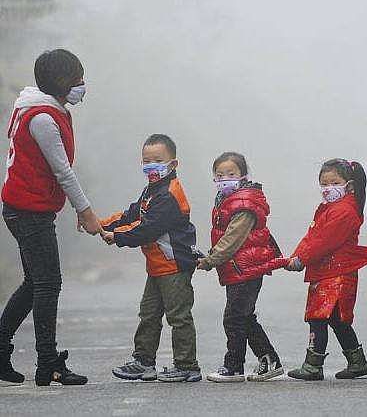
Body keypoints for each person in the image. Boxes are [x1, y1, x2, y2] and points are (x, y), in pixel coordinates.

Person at [0, 49, 100, 386]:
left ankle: (2, 352)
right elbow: (63, 172)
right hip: (28, 211)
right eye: (78, 79)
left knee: (36, 283)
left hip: (28, 208)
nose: (83, 85)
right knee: (47, 283)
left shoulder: (44, 109)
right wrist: (85, 211)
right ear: (62, 82)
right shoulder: (42, 117)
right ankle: (48, 364)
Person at [104, 134, 201, 383]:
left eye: (158, 160)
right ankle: (143, 362)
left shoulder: (169, 194)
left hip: (174, 265)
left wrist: (116, 236)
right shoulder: (151, 190)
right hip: (156, 266)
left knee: (178, 317)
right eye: (146, 161)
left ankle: (187, 366)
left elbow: (147, 228)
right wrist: (100, 222)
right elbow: (132, 214)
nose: (151, 166)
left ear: (173, 164)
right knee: (148, 314)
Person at [198, 152, 286, 383]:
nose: (224, 179)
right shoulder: (228, 200)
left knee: (234, 317)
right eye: (219, 175)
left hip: (246, 268)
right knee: (244, 317)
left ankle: (234, 366)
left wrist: (210, 260)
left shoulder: (244, 203)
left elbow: (232, 239)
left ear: (243, 176)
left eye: (230, 174)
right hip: (237, 268)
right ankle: (270, 361)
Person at [286, 158, 367, 381]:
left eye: (334, 183)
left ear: (349, 185)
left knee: (319, 318)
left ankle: (313, 366)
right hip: (326, 272)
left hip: (335, 274)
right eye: (324, 184)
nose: (328, 189)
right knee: (336, 319)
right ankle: (357, 362)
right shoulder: (329, 209)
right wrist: (297, 256)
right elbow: (312, 237)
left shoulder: (344, 211)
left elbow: (324, 241)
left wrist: (301, 259)